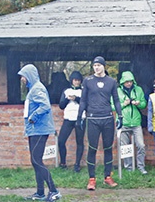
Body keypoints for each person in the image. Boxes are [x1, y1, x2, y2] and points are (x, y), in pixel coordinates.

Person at [18, 64, 61, 202]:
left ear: (29, 75)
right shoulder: (34, 88)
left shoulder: (37, 89)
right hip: (34, 130)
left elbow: (45, 105)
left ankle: (54, 191)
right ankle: (40, 192)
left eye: (23, 76)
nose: (22, 79)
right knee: (35, 161)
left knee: (36, 160)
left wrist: (33, 117)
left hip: (39, 129)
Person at [79, 56, 122, 190]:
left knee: (108, 148)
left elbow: (116, 100)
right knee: (92, 148)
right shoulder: (88, 81)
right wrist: (79, 115)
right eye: (94, 65)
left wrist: (120, 115)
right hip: (92, 118)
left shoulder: (111, 81)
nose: (96, 67)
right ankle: (92, 179)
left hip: (107, 118)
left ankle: (107, 177)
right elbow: (83, 100)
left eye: (99, 65)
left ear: (104, 66)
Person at [118, 70, 147, 174]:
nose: (129, 83)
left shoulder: (138, 89)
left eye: (130, 81)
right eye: (127, 81)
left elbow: (144, 103)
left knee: (141, 145)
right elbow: (112, 105)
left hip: (136, 122)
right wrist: (123, 104)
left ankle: (141, 167)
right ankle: (129, 168)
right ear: (122, 82)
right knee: (125, 147)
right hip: (124, 122)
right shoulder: (118, 91)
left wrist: (139, 104)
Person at [58, 71, 85, 171]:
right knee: (61, 140)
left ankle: (77, 164)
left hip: (80, 118)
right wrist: (67, 99)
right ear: (71, 81)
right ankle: (63, 162)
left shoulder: (83, 91)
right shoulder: (66, 90)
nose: (77, 82)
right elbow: (61, 105)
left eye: (78, 80)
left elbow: (86, 104)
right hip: (68, 118)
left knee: (80, 141)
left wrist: (76, 98)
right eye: (75, 80)